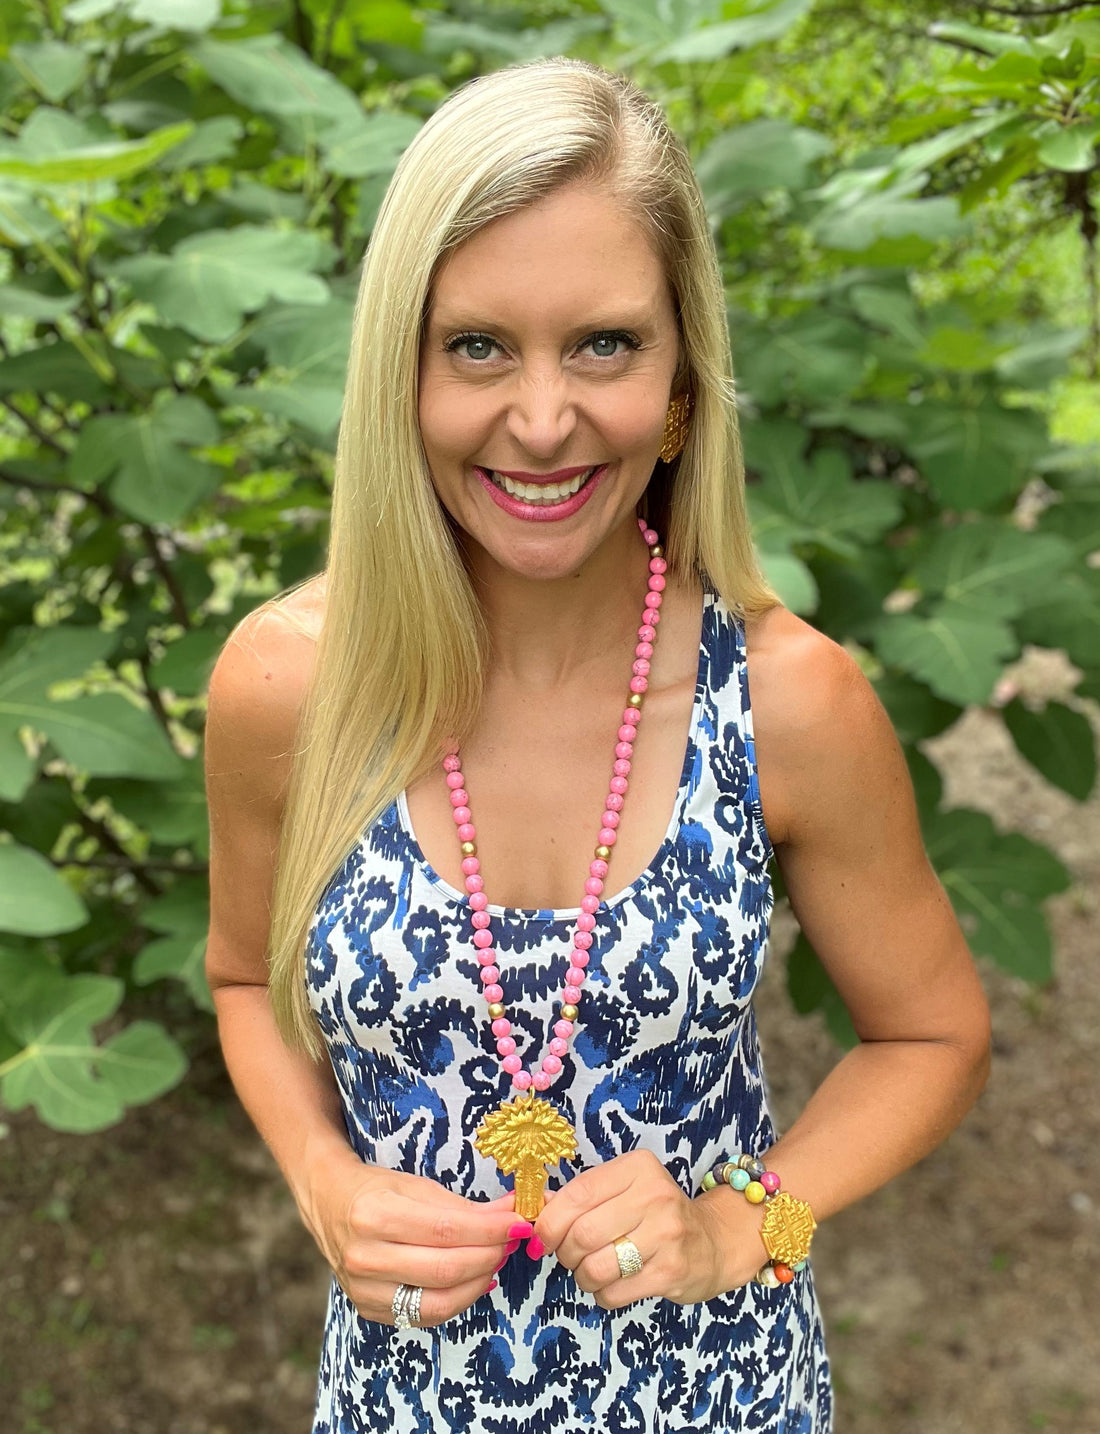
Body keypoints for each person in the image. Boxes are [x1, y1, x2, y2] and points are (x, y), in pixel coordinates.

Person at [203, 56, 991, 1434]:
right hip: (401, 1402)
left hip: (723, 1397)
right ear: (400, 371)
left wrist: (748, 1219)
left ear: (684, 383)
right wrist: (323, 1181)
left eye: (607, 345)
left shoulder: (790, 702)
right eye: (479, 346)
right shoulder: (290, 684)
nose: (544, 417)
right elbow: (237, 975)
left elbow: (932, 1032)